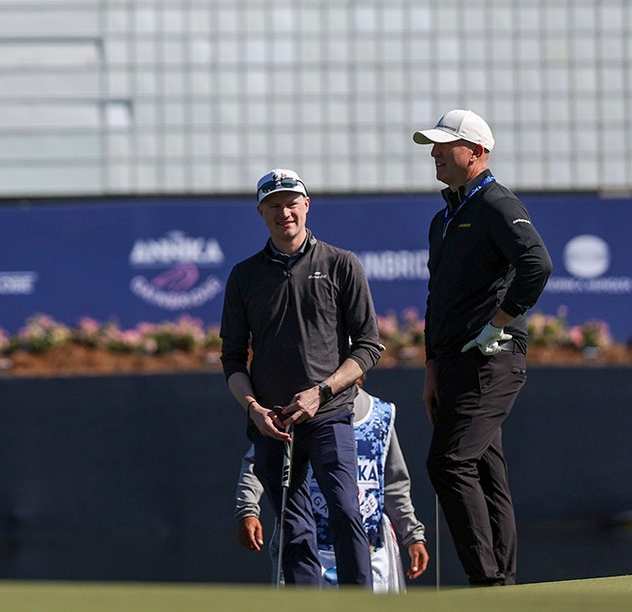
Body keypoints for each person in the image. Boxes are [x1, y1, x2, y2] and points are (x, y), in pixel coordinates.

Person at [220, 168, 385, 588]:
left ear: (307, 205)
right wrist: (254, 410)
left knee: (346, 511)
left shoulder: (341, 263)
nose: (284, 213)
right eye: (274, 205)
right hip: (273, 423)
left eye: (292, 203)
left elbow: (368, 347)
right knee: (293, 529)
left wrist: (321, 392)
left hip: (329, 413)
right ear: (261, 212)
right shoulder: (244, 276)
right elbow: (233, 360)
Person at [413, 109, 551, 586]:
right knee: (486, 473)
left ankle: (487, 583)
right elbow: (437, 298)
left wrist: (498, 323)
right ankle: (502, 584)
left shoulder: (496, 202)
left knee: (448, 462)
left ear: (475, 152)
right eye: (433, 146)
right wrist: (432, 369)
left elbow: (536, 264)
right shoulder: (443, 219)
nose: (434, 154)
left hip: (492, 358)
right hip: (453, 365)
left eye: (444, 146)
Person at [235, 387, 429, 592]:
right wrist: (247, 509)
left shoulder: (381, 414)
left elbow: (394, 484)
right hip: (307, 548)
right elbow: (262, 460)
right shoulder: (298, 410)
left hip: (370, 549)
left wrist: (412, 535)